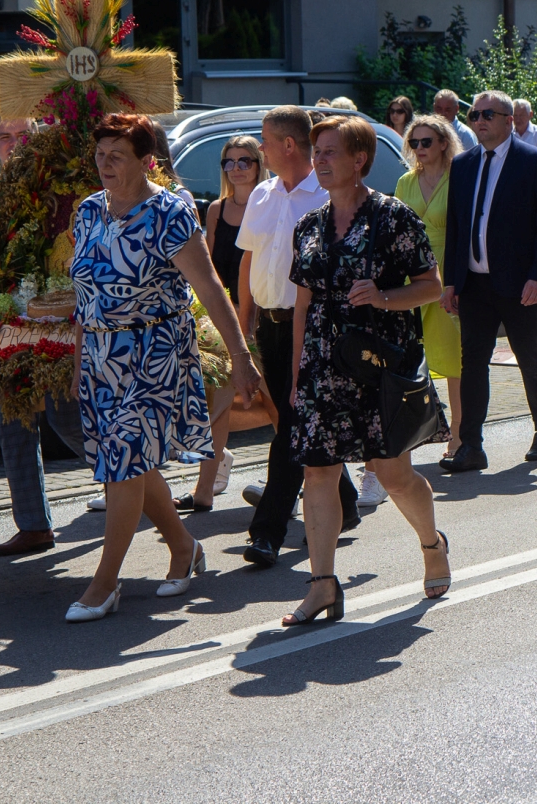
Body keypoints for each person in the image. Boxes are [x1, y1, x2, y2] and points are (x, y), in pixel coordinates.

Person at [67, 114, 259, 622]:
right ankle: (183, 546)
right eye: (100, 154)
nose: (105, 164)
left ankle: (104, 583)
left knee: (123, 461)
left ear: (145, 160)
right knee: (134, 464)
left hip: (154, 353)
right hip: (101, 359)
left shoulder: (169, 212)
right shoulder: (87, 211)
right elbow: (86, 294)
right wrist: (80, 358)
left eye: (117, 155)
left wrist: (240, 357)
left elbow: (209, 287)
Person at [283, 116, 452, 624]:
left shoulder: (392, 216)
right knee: (318, 470)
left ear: (359, 159)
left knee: (393, 474)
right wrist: (296, 375)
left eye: (330, 152)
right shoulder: (308, 226)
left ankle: (432, 543)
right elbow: (303, 305)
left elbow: (431, 286)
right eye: (316, 152)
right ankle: (322, 585)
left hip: (375, 364)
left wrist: (382, 297)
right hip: (322, 365)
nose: (319, 161)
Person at [237, 106, 363, 568]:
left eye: (265, 140)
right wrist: (243, 325)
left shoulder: (325, 195)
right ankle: (345, 503)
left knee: (291, 426)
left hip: (312, 326)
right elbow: (249, 261)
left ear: (288, 145)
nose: (260, 148)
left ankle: (267, 531)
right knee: (300, 422)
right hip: (270, 326)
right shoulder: (262, 194)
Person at [0, 115, 90, 554]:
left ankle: (135, 484)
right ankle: (33, 525)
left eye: (23, 135)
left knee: (69, 418)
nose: (14, 144)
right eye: (5, 137)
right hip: (6, 323)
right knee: (11, 418)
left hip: (62, 317)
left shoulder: (59, 185)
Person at [439, 90, 537, 471]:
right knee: (473, 363)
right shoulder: (463, 164)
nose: (479, 121)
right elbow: (456, 227)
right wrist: (450, 281)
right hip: (474, 285)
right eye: (474, 115)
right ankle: (471, 446)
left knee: (529, 357)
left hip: (519, 283)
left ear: (509, 120)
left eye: (487, 114)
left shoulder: (535, 161)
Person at [175, 134, 269, 512]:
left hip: (262, 316)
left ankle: (306, 479)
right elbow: (209, 268)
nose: (236, 168)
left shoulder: (268, 203)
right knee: (217, 401)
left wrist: (250, 316)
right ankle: (203, 490)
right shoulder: (216, 209)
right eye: (229, 162)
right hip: (225, 318)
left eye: (244, 161)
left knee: (275, 402)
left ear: (259, 165)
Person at [394, 115, 465, 460]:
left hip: (449, 274)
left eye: (426, 142)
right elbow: (394, 233)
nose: (419, 148)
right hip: (412, 278)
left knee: (455, 361)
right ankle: (409, 435)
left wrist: (459, 282)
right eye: (414, 142)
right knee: (408, 359)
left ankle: (461, 435)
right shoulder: (405, 182)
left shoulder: (460, 177)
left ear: (443, 143)